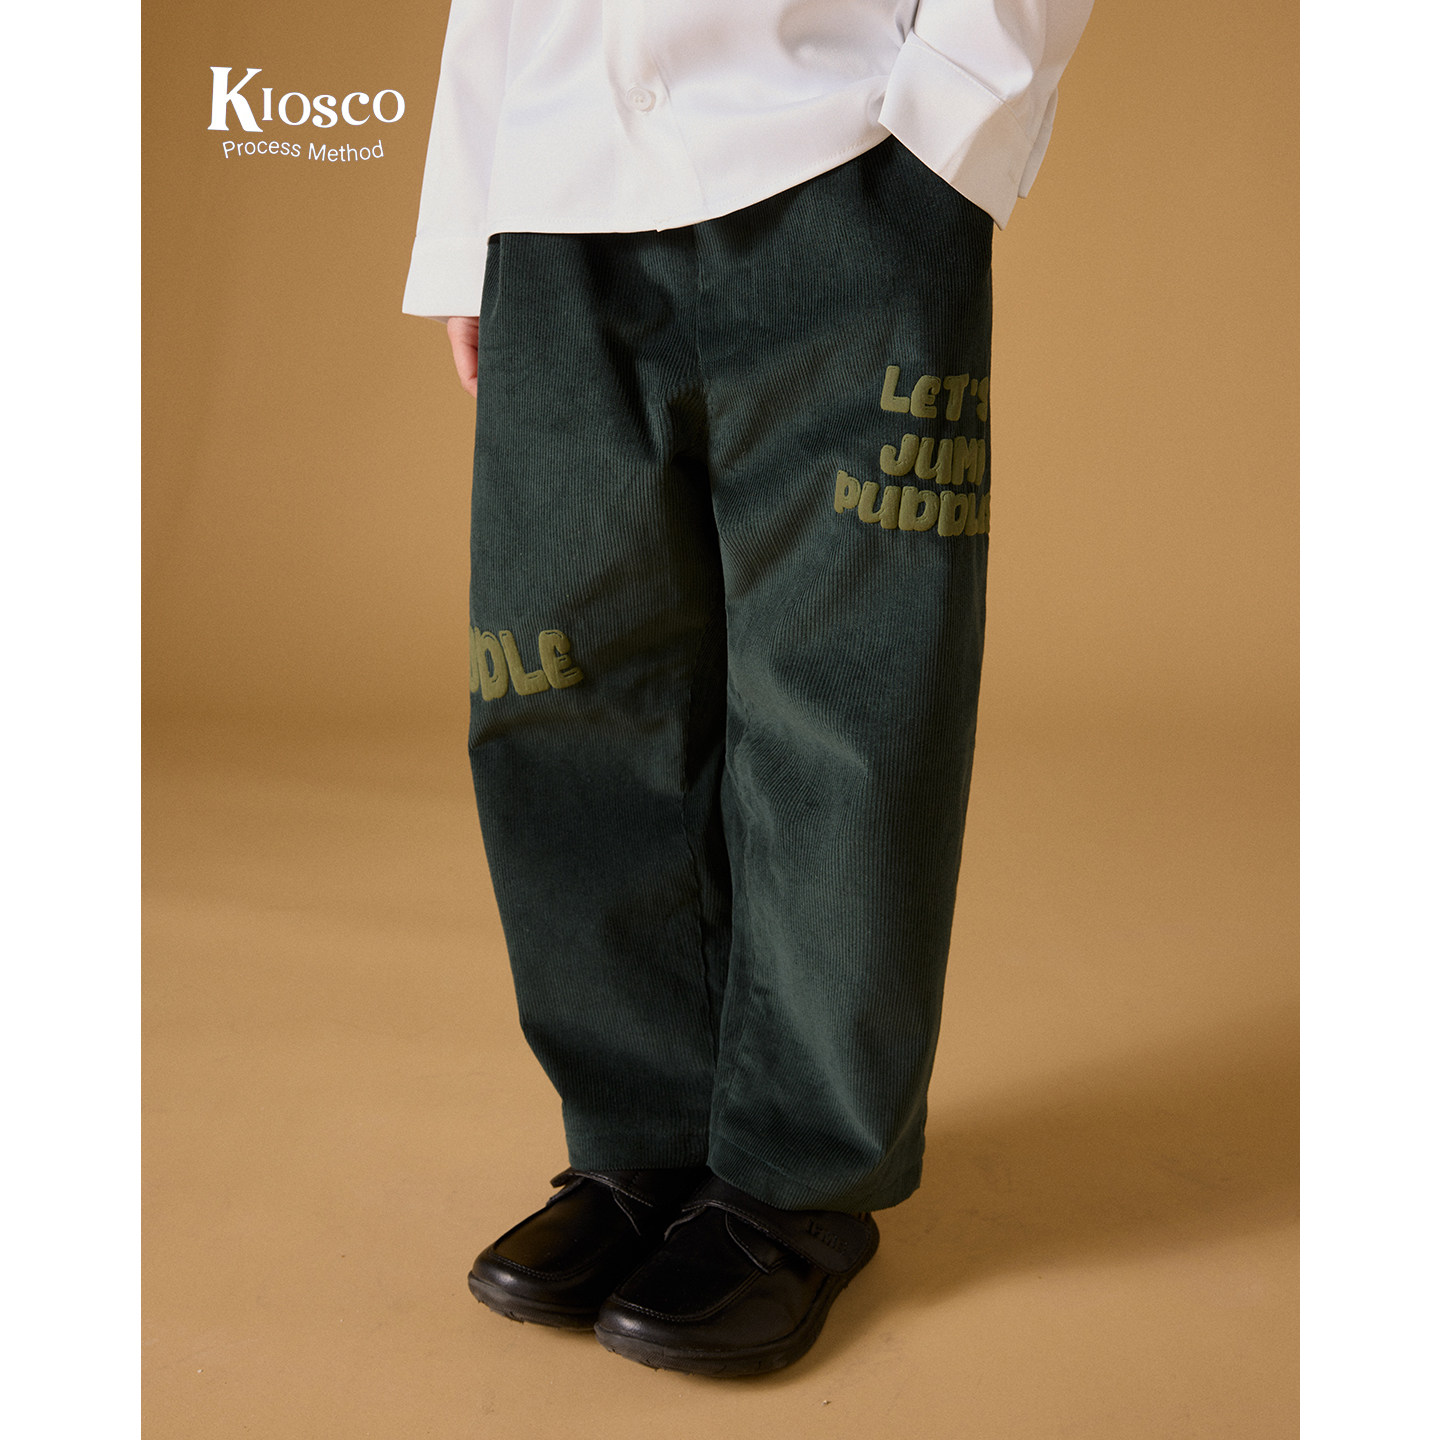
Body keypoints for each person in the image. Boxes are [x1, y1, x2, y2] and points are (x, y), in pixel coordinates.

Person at [403, 0, 1093, 1378]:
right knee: (561, 689)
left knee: (844, 700)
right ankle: (640, 1145)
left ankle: (798, 1179)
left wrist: (951, 128)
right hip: (552, 187)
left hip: (839, 163)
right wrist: (467, 216)